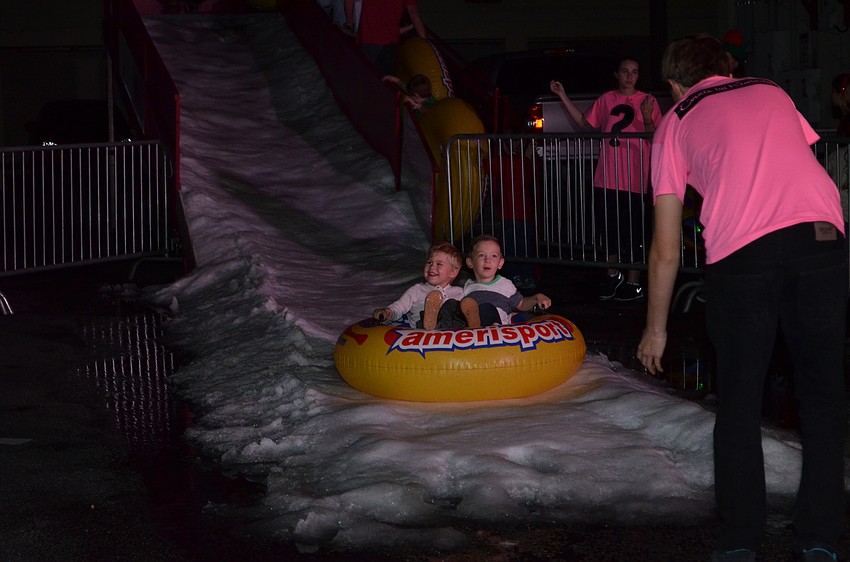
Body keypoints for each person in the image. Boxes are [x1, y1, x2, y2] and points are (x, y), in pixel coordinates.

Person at [636, 35, 847, 562]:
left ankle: (740, 542)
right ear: (725, 69)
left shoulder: (676, 120)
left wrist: (656, 328)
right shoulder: (772, 91)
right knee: (822, 392)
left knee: (739, 398)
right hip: (822, 240)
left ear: (674, 84)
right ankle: (820, 536)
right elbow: (793, 155)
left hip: (744, 253)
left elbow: (666, 249)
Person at [550, 57, 663, 301]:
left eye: (634, 72)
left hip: (635, 179)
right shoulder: (606, 99)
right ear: (617, 74)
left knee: (634, 232)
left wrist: (646, 118)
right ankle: (613, 275)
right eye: (625, 71)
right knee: (608, 229)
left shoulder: (648, 101)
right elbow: (584, 122)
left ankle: (634, 281)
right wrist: (563, 95)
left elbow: (655, 139)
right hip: (607, 177)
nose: (629, 76)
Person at [460, 235, 551, 328]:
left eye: (494, 256)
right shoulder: (467, 287)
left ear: (500, 263)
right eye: (481, 255)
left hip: (499, 333)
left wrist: (536, 298)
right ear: (470, 262)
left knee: (486, 308)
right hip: (473, 338)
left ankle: (482, 326)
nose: (487, 260)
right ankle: (469, 327)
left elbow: (522, 304)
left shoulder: (505, 285)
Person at [372, 242, 465, 330]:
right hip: (421, 332)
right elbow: (400, 307)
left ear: (453, 272)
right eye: (429, 262)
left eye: (439, 264)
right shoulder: (417, 290)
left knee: (452, 305)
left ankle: (474, 325)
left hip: (452, 332)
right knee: (425, 315)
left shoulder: (459, 292)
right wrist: (387, 312)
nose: (432, 267)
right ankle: (430, 322)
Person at [345, 0, 426, 75]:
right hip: (389, 43)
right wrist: (425, 42)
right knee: (385, 79)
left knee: (365, 76)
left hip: (367, 39)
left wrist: (350, 23)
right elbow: (414, 14)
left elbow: (349, 1)